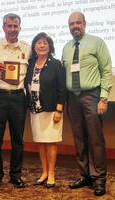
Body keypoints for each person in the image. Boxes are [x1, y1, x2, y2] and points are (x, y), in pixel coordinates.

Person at [62, 12, 113, 196]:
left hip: (92, 96)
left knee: (95, 139)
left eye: (78, 23)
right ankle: (85, 175)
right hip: (72, 98)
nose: (75, 26)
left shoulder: (97, 42)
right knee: (79, 138)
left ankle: (99, 178)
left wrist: (103, 97)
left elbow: (106, 71)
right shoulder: (67, 47)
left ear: (84, 23)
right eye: (71, 24)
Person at [0, 13, 30, 189]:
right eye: (9, 26)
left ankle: (15, 175)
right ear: (3, 28)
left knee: (18, 139)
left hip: (18, 98)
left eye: (15, 26)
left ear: (20, 29)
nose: (12, 30)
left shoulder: (27, 48)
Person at [24, 32, 66, 188]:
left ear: (49, 47)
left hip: (51, 110)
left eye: (45, 43)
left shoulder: (56, 64)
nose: (42, 45)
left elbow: (62, 89)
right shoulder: (30, 64)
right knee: (40, 142)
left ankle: (52, 174)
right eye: (39, 42)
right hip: (35, 109)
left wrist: (59, 110)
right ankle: (44, 172)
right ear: (34, 46)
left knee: (50, 142)